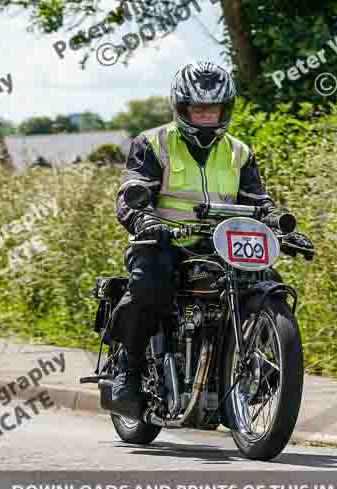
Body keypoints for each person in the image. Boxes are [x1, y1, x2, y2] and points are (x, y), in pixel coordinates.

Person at [108, 60, 286, 417]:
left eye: (214, 109)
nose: (207, 117)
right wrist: (143, 219)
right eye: (199, 109)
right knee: (151, 284)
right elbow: (131, 191)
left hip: (222, 244)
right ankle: (129, 365)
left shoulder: (239, 152)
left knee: (269, 283)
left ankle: (262, 360)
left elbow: (257, 200)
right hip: (164, 241)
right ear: (182, 108)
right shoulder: (153, 143)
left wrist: (279, 222)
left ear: (226, 109)